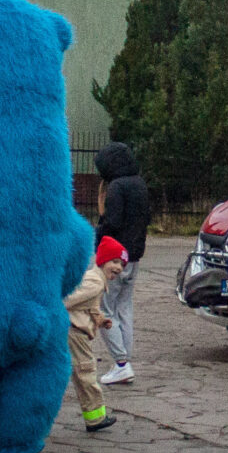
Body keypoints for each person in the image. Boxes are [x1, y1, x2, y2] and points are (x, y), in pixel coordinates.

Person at [94, 142, 150, 387]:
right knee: (124, 308)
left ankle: (121, 364)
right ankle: (124, 360)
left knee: (105, 309)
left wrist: (100, 230)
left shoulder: (117, 187)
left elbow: (112, 222)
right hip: (133, 256)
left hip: (114, 257)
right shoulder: (139, 184)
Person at [67, 235, 130, 434]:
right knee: (86, 373)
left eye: (122, 264)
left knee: (82, 373)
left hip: (75, 330)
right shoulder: (94, 282)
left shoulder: (96, 279)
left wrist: (100, 320)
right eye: (115, 262)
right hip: (75, 332)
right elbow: (67, 300)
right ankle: (95, 418)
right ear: (102, 260)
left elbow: (89, 305)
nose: (119, 268)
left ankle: (94, 416)